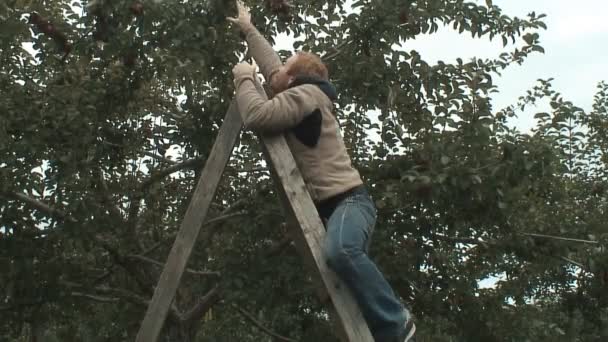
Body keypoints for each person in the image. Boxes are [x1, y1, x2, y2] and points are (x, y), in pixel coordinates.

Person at [227, 2, 415, 341]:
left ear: (296, 78)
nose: (276, 71)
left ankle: (396, 320)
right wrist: (249, 29)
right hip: (335, 208)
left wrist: (243, 75)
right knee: (341, 260)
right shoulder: (302, 92)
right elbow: (272, 70)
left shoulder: (305, 96)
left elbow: (256, 116)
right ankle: (384, 330)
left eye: (286, 66)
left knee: (341, 252)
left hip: (350, 203)